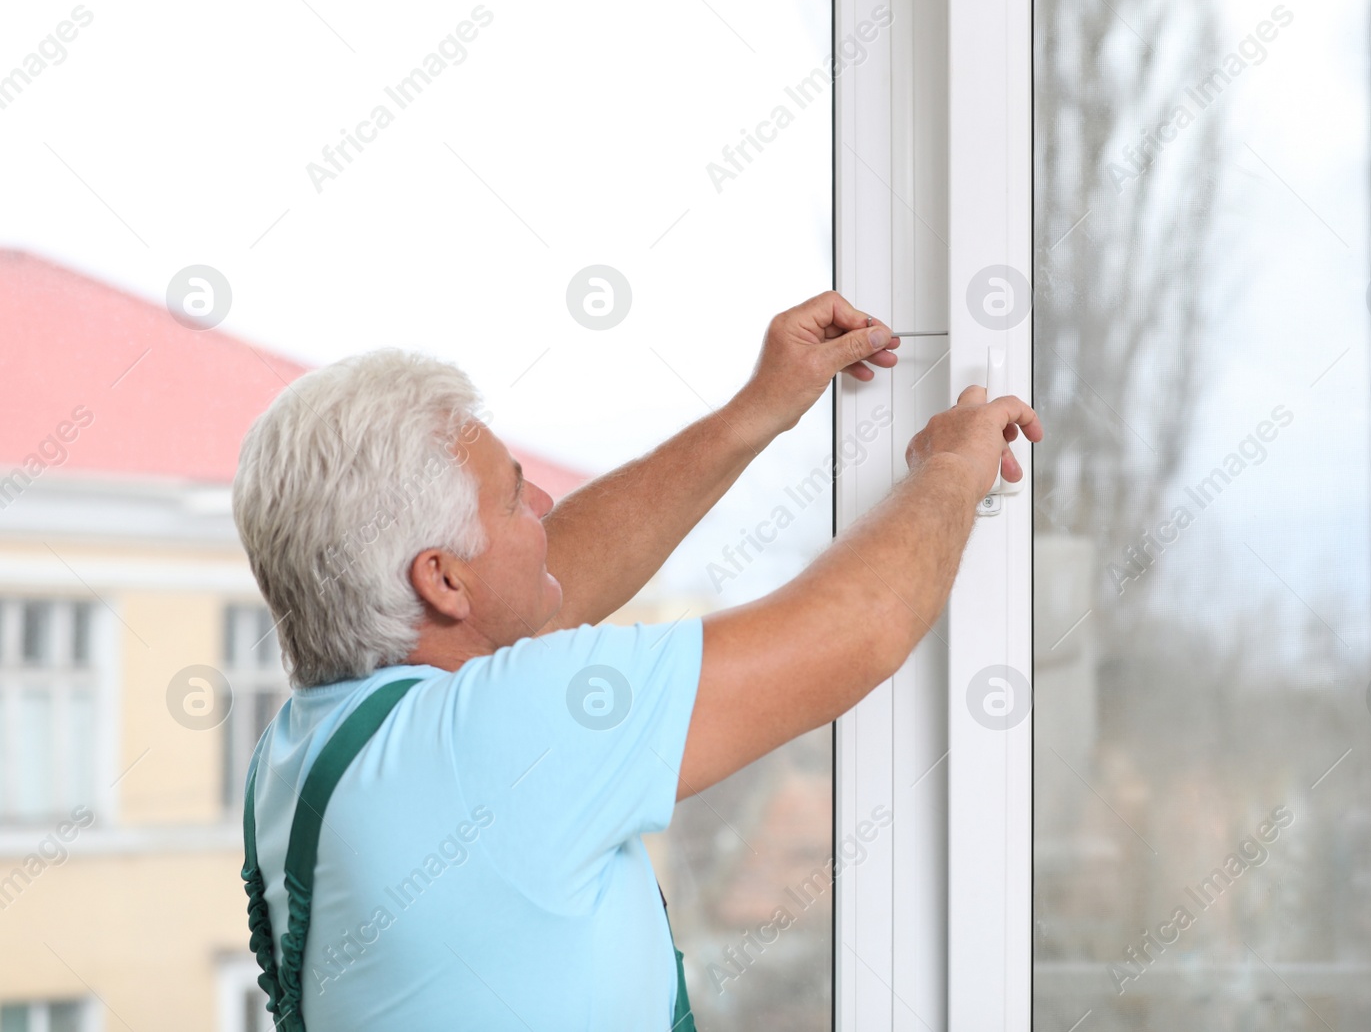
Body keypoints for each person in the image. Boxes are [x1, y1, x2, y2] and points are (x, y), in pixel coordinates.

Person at [231, 290, 1041, 1030]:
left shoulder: (309, 743)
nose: (544, 506)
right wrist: (953, 467)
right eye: (515, 497)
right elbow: (862, 624)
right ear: (440, 578)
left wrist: (756, 412)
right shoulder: (494, 739)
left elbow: (535, 590)